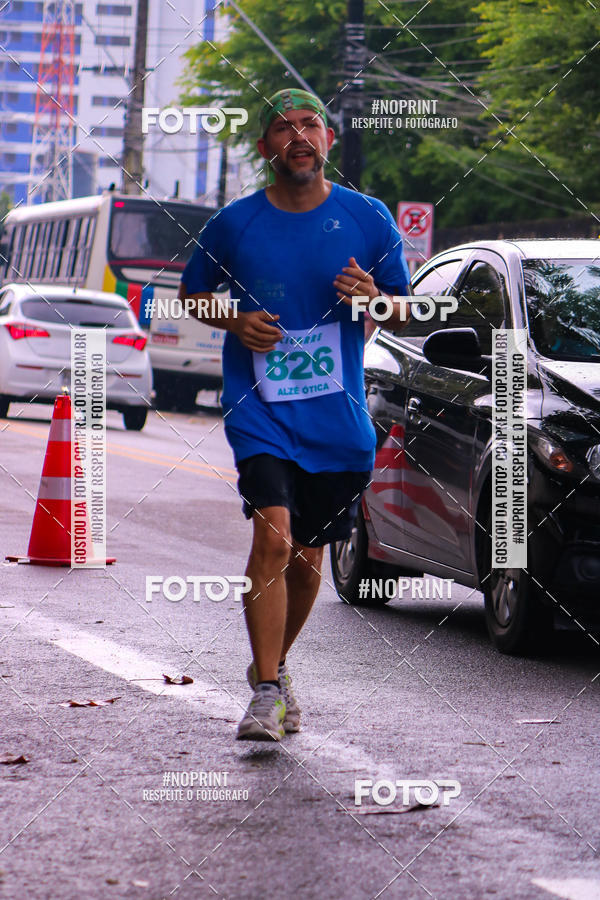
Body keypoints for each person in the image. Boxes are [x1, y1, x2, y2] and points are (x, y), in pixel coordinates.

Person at [179, 88, 411, 741]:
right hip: (260, 412)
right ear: (266, 147)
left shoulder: (367, 218)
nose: (299, 136)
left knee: (309, 560)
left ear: (328, 140)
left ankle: (274, 665)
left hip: (336, 421)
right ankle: (268, 693)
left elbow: (405, 308)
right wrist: (234, 317)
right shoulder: (235, 222)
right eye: (284, 128)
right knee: (273, 538)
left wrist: (374, 297)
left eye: (310, 124)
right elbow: (191, 292)